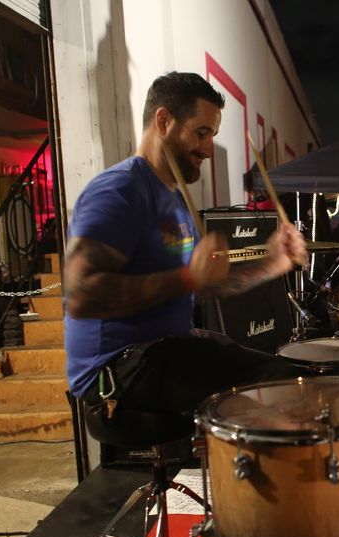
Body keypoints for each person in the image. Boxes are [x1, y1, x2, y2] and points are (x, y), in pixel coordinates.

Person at [63, 72, 308, 435]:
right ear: (164, 121)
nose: (207, 149)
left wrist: (273, 264)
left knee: (290, 377)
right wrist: (187, 276)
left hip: (165, 348)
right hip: (117, 368)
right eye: (201, 133)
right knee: (272, 397)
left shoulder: (175, 201)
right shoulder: (118, 191)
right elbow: (82, 295)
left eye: (211, 136)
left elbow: (202, 286)